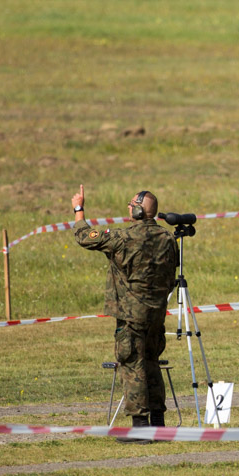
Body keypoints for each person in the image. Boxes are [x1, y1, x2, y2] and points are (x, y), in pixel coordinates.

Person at [71, 185, 179, 442]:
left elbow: (84, 236)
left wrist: (78, 209)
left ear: (141, 210)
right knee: (152, 364)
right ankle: (159, 425)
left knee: (132, 365)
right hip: (156, 314)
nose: (128, 207)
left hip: (131, 316)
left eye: (132, 204)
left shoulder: (123, 237)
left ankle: (141, 427)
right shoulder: (168, 239)